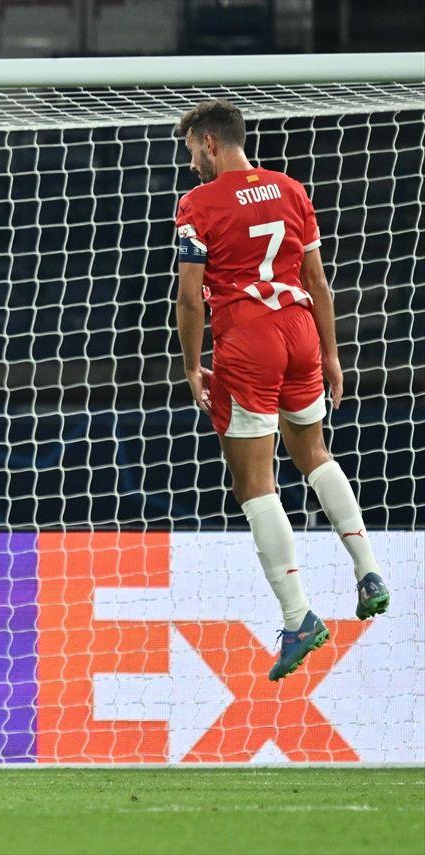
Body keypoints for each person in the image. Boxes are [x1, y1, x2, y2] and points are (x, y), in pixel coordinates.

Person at [174, 99, 389, 682]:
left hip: (248, 339)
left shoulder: (197, 204)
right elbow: (317, 279)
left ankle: (298, 616)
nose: (190, 161)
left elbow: (192, 298)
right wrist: (333, 355)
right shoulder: (292, 190)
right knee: (314, 453)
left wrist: (194, 366)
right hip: (300, 333)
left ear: (211, 143)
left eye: (192, 149)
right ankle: (367, 567)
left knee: (254, 481)